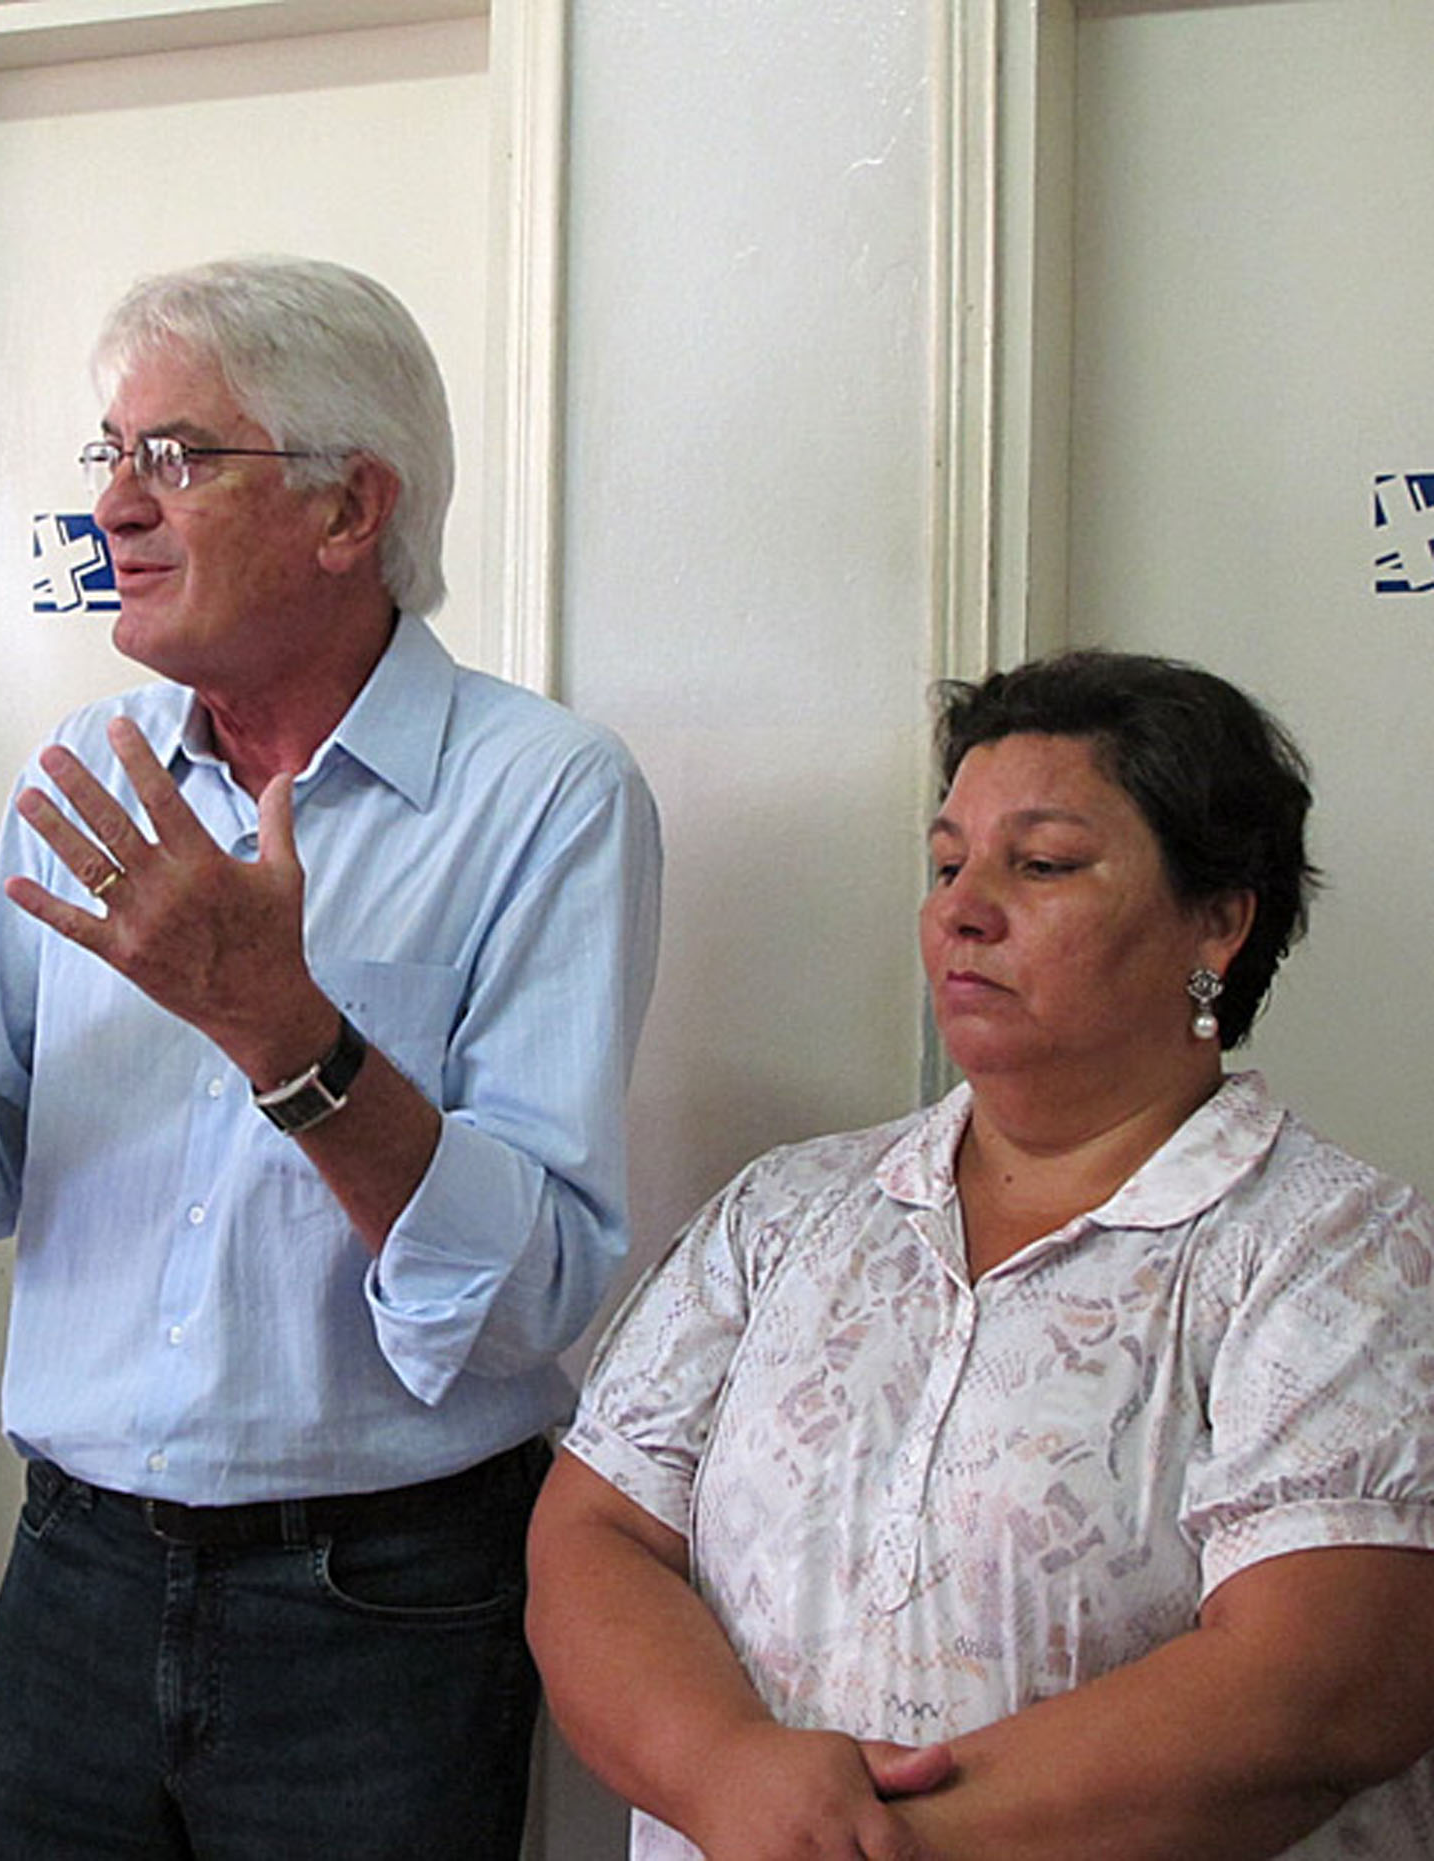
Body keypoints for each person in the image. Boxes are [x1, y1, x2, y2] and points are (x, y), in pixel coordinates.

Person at [0, 254, 662, 1858]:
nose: (115, 506)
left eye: (176, 458)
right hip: (75, 1581)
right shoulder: (89, 765)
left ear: (349, 509)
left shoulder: (547, 795)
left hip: (382, 1610)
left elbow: (532, 1293)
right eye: (109, 454)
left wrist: (287, 1032)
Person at [527, 650, 1434, 1859]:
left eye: (1041, 864)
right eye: (947, 863)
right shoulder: (785, 1212)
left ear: (1217, 919)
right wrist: (723, 1773)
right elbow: (594, 1535)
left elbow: (1318, 1686)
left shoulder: (1332, 1253)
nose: (961, 908)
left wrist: (854, 1841)